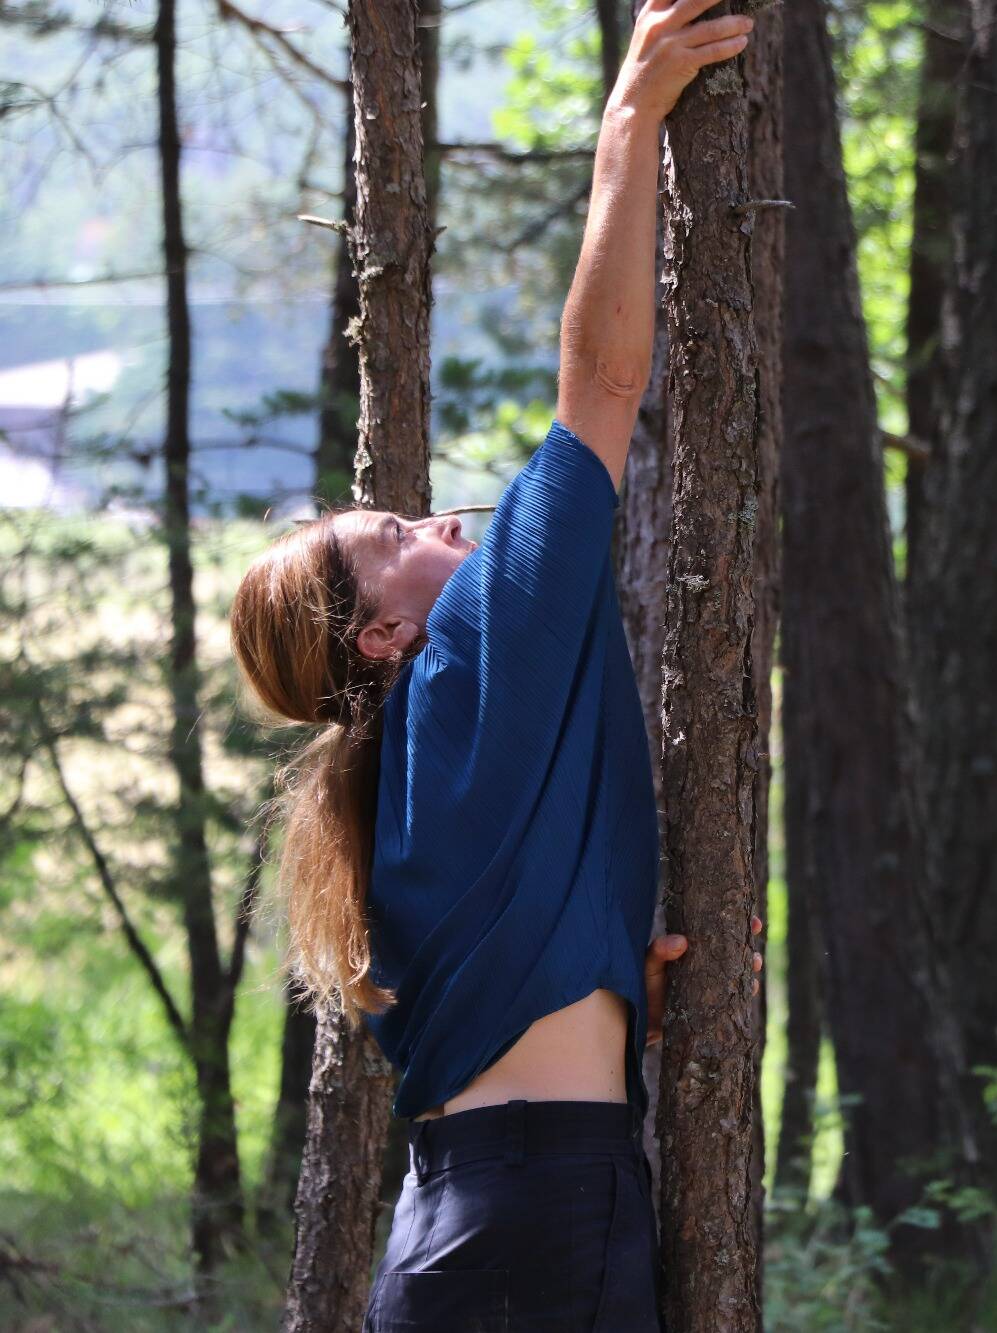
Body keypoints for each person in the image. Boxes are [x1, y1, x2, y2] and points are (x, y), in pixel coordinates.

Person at [228, 1, 758, 1325]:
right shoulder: (468, 654)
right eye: (400, 535)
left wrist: (601, 959)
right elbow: (602, 379)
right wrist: (629, 121)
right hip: (541, 1222)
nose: (444, 523)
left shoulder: (398, 790)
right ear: (378, 637)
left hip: (459, 1222)